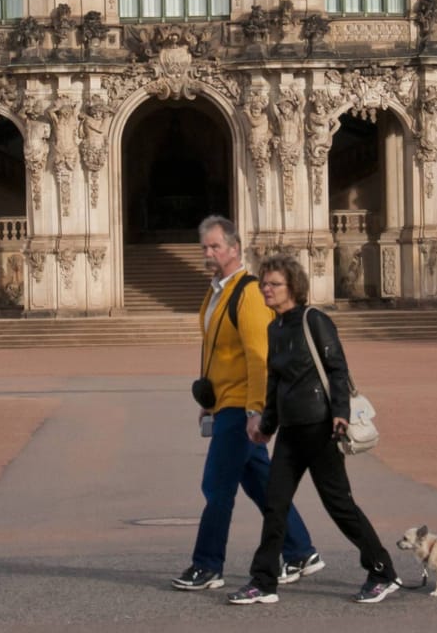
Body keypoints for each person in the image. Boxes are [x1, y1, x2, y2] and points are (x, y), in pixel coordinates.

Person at [228, 254, 401, 605]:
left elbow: (337, 369)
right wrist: (267, 425)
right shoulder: (274, 328)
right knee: (275, 505)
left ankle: (383, 570)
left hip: (321, 428)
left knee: (339, 506)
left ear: (293, 287)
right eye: (264, 284)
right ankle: (263, 582)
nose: (266, 290)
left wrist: (340, 414)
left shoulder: (314, 320)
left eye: (273, 284)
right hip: (291, 431)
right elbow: (276, 382)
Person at [174, 216, 321, 592]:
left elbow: (258, 356)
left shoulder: (249, 292)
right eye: (205, 247)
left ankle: (207, 565)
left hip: (242, 406)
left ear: (235, 248)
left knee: (217, 487)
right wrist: (208, 399)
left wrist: (257, 411)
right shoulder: (216, 290)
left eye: (216, 246)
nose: (209, 253)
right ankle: (301, 550)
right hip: (224, 402)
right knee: (262, 485)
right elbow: (216, 350)